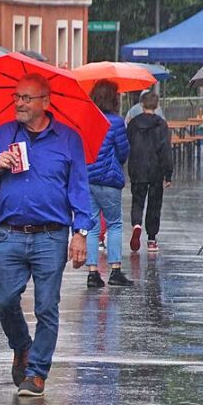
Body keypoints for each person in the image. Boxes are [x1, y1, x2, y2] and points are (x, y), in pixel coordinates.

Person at [0, 74, 90, 398]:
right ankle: (22, 346)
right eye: (17, 97)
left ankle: (37, 373)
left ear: (46, 101)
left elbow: (79, 190)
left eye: (27, 98)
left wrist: (80, 233)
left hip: (51, 237)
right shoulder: (4, 135)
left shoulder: (68, 140)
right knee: (4, 301)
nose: (19, 104)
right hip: (10, 235)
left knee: (46, 307)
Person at [84, 80, 132, 288]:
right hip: (109, 179)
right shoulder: (116, 122)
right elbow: (123, 151)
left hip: (87, 178)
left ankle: (92, 273)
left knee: (92, 226)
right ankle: (115, 271)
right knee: (114, 224)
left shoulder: (86, 119)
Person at [127, 91, 173, 253]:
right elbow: (166, 150)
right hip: (156, 169)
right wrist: (168, 174)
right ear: (157, 105)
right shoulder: (161, 125)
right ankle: (152, 239)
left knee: (137, 201)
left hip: (137, 168)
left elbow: (128, 144)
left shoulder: (133, 124)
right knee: (154, 204)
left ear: (141, 105)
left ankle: (137, 224)